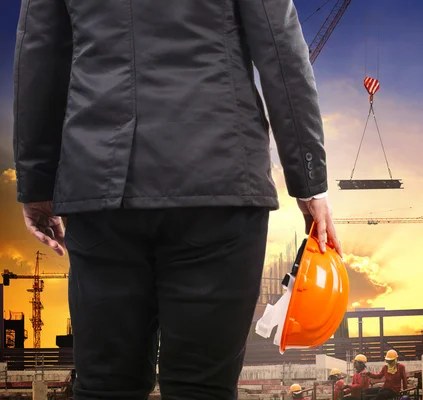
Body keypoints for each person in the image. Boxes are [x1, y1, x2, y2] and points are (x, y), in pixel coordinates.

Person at [12, 1, 342, 399]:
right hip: (219, 183)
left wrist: (36, 185)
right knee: (202, 387)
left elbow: (39, 56)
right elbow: (281, 47)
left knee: (105, 385)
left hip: (102, 185)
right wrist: (309, 184)